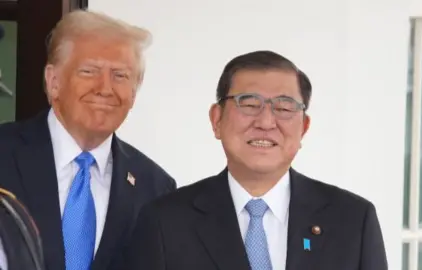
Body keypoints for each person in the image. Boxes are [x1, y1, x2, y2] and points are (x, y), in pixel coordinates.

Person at [124, 50, 388, 269]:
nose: (265, 122)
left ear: (304, 128)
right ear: (217, 119)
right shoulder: (165, 221)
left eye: (284, 108)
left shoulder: (352, 220)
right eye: (249, 104)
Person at [0, 9, 176, 270]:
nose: (105, 88)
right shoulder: (4, 152)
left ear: (134, 92)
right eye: (89, 71)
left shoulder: (155, 188)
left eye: (120, 76)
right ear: (53, 81)